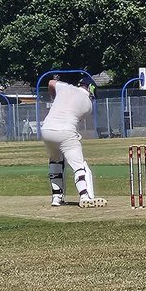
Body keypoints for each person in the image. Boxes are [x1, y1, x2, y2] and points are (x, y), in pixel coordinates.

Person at [41, 74, 105, 207]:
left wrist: (54, 97)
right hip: (66, 132)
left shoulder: (64, 87)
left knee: (55, 160)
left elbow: (51, 83)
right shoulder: (88, 105)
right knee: (79, 165)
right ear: (91, 89)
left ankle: (56, 197)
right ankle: (84, 196)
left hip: (46, 130)